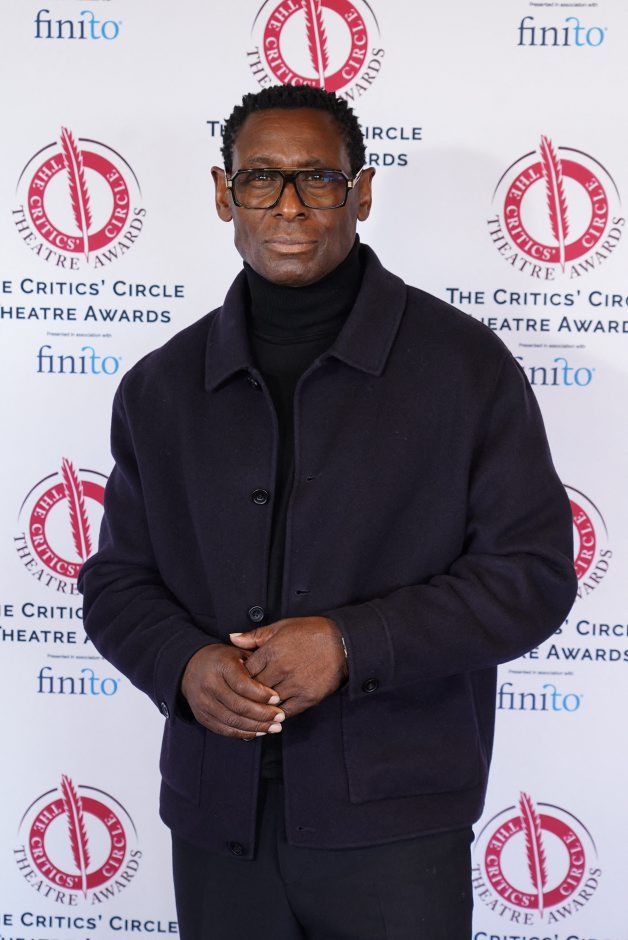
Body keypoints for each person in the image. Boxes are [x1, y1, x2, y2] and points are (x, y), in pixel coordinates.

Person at [79, 85, 577, 939]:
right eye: (261, 178)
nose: (289, 205)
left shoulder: (464, 367)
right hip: (217, 822)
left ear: (362, 192)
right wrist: (185, 664)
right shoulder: (161, 386)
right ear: (224, 193)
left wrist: (350, 644)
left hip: (398, 827)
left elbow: (530, 578)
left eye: (317, 178)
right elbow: (119, 583)